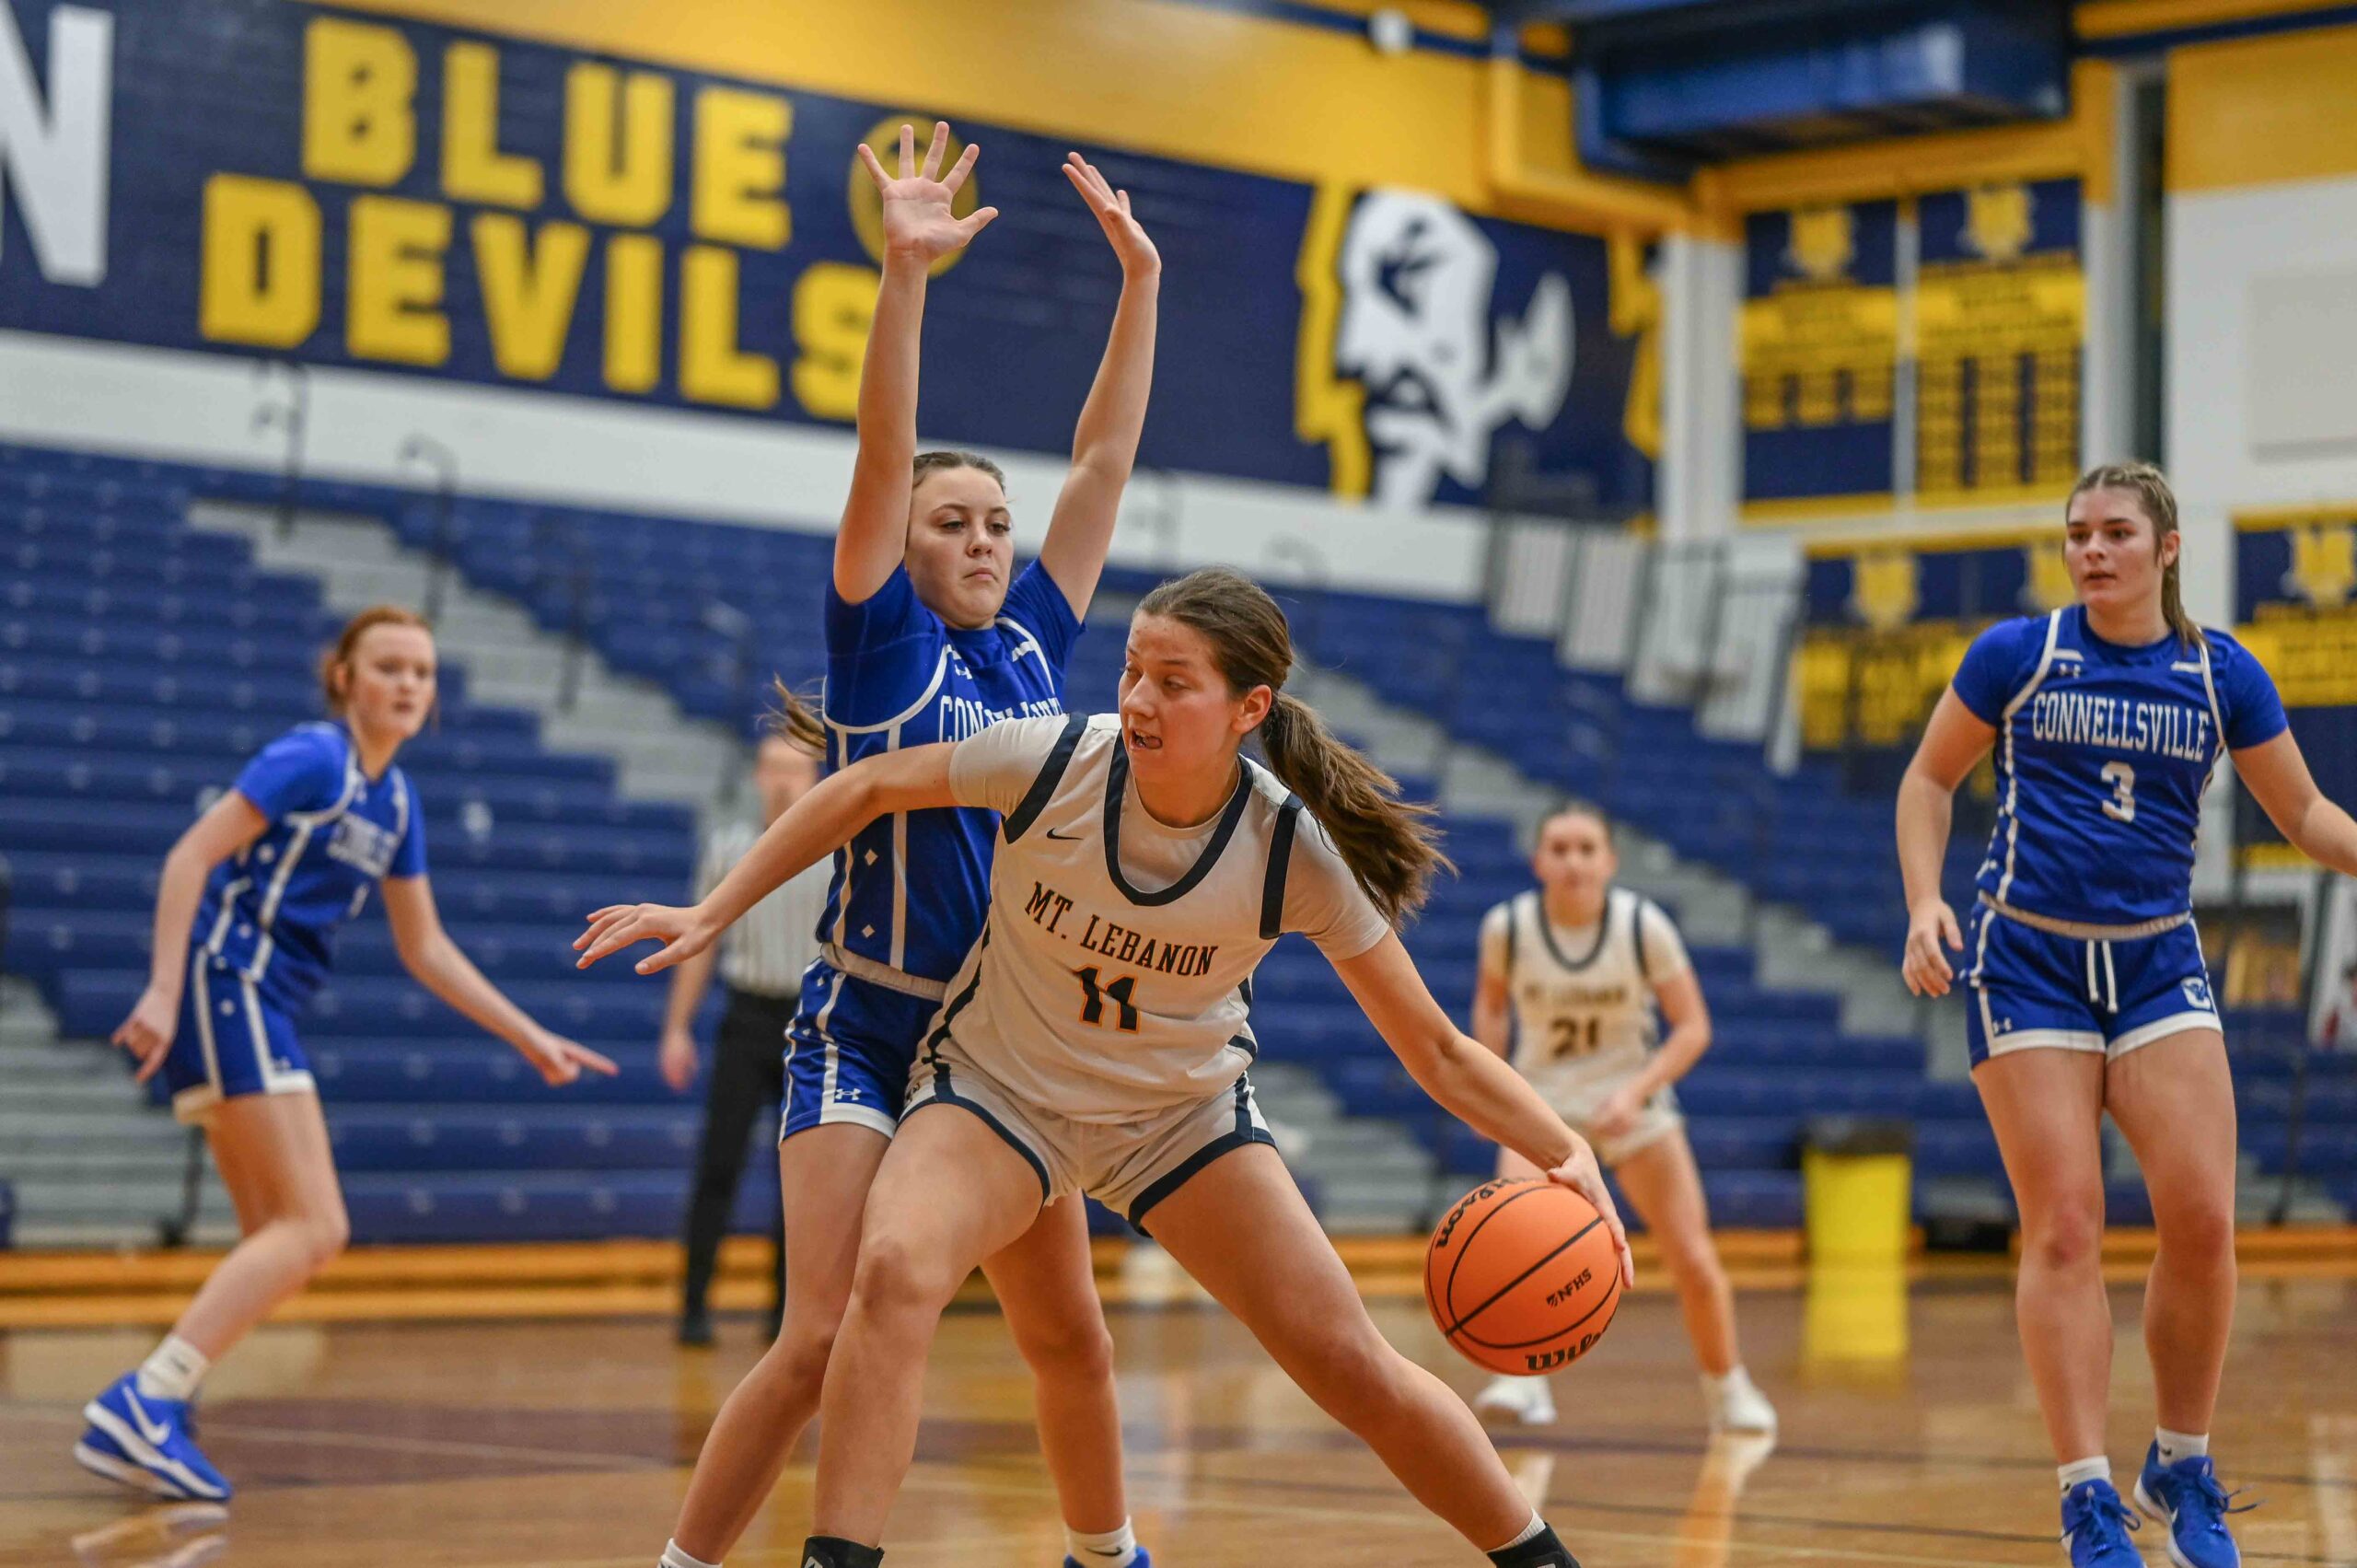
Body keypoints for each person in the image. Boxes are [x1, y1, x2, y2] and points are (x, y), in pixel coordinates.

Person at [579, 567, 1636, 1568]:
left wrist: (1563, 1148)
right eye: (1132, 668)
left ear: (1248, 708)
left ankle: (1539, 1556)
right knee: (893, 1270)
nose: (1137, 697)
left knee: (1348, 1361)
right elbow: (866, 785)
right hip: (999, 1094)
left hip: (1177, 1119)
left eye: (1173, 681)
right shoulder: (1053, 759)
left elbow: (1437, 1047)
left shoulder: (1286, 849)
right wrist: (714, 908)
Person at [642, 123, 1163, 1568]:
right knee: (818, 1334)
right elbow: (884, 449)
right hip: (865, 1027)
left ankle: (1110, 1552)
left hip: (1004, 1043)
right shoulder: (883, 652)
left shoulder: (1034, 650)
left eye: (997, 521)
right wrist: (905, 276)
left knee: (1072, 1334)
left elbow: (1103, 460)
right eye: (953, 522)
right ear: (907, 544)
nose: (986, 539)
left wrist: (1142, 285)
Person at [1896, 462, 2357, 1568]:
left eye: (2114, 532)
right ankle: (2086, 1494)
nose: (2091, 550)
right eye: (2075, 533)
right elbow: (1926, 780)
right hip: (2028, 961)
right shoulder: (2018, 653)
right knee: (2063, 1225)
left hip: (2155, 959)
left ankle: (2180, 1464)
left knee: (2200, 1218)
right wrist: (1922, 902)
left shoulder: (2218, 671)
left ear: (2167, 548)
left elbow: (2301, 811)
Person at [78, 606, 616, 1502]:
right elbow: (189, 856)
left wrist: (527, 1033)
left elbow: (426, 946)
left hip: (256, 999)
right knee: (318, 1226)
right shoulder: (311, 757)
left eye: (422, 671)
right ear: (344, 677)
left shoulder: (396, 801)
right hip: (229, 982)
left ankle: (163, 1397)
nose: (408, 683)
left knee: (274, 1230)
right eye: (389, 666)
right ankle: (148, 1397)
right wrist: (164, 990)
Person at [1466, 803, 1775, 1435]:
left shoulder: (1642, 925)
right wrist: (1491, 1091)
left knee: (1692, 1256)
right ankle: (1523, 1381)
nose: (1573, 861)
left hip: (1630, 1105)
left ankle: (1728, 1387)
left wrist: (1635, 1094)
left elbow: (1693, 1027)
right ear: (1538, 861)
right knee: (1514, 1250)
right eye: (1559, 848)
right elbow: (1492, 1010)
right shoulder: (1508, 927)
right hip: (1544, 1106)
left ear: (1609, 860)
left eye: (1586, 848)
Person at [660, 734, 831, 1346]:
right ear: (757, 776)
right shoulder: (728, 848)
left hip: (810, 1024)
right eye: (774, 769)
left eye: (795, 770)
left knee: (802, 1182)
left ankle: (786, 1315)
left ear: (815, 778)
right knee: (718, 1165)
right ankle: (693, 1306)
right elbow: (697, 948)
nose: (784, 781)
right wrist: (677, 1027)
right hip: (745, 1018)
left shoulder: (837, 853)